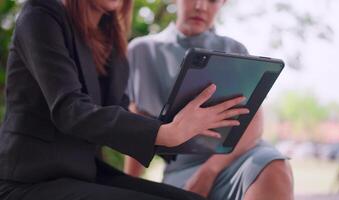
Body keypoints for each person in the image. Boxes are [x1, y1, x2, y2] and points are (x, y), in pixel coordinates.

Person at [0, 0, 251, 199]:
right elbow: (70, 110)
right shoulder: (40, 15)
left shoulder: (111, 37)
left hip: (83, 173)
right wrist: (165, 133)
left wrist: (185, 126)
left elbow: (118, 112)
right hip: (30, 180)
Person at [125, 0, 294, 200]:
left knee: (274, 165)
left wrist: (209, 171)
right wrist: (128, 186)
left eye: (212, 0)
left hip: (237, 157)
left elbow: (254, 123)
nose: (201, 6)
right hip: (181, 170)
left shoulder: (234, 48)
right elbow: (136, 129)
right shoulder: (142, 51)